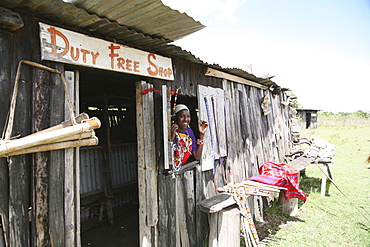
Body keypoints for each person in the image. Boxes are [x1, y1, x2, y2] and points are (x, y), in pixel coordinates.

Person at [171, 104, 208, 170]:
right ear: (176, 118)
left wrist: (201, 135)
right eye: (182, 116)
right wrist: (172, 136)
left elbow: (197, 156)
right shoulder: (171, 131)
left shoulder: (189, 132)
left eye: (188, 116)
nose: (186, 119)